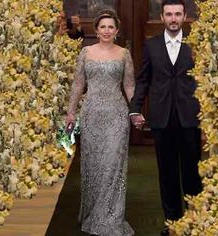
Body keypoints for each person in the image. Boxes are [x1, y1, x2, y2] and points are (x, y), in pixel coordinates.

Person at [130, 0, 202, 235]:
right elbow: (143, 80)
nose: (173, 18)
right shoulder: (151, 46)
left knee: (192, 172)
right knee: (167, 173)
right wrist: (135, 108)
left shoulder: (196, 44)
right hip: (162, 118)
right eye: (169, 14)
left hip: (190, 117)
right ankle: (173, 223)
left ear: (184, 16)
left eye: (177, 14)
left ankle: (193, 221)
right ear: (162, 17)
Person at [65, 9, 135, 236]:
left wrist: (135, 112)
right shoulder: (86, 52)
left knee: (113, 166)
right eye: (102, 27)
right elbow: (77, 84)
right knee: (94, 166)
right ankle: (93, 213)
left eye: (111, 27)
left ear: (117, 31)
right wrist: (71, 112)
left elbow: (129, 85)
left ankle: (112, 218)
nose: (106, 31)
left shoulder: (124, 54)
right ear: (96, 30)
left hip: (117, 116)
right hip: (92, 114)